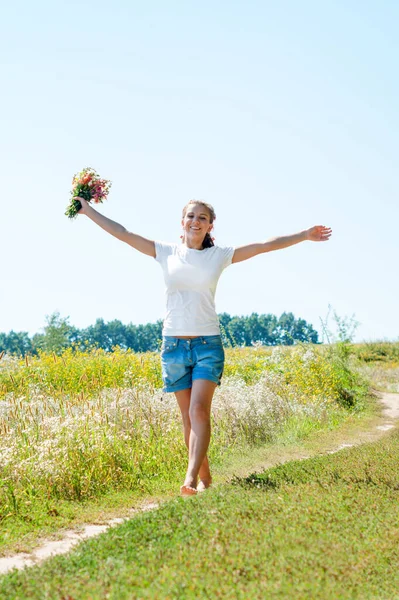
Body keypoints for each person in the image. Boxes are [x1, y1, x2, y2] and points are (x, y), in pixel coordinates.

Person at [76, 196, 332, 496]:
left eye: (202, 218)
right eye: (190, 217)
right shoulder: (165, 252)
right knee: (188, 418)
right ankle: (206, 480)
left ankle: (189, 479)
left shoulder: (218, 256)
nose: (195, 221)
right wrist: (88, 210)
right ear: (182, 223)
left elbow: (265, 244)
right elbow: (123, 233)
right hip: (172, 345)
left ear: (210, 226)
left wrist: (303, 235)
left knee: (199, 410)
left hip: (207, 344)